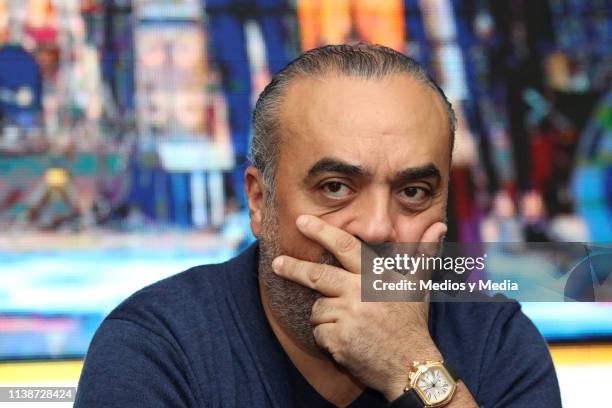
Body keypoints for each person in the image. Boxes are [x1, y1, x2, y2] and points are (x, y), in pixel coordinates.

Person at [75, 44, 561, 407]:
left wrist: (414, 369)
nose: (375, 229)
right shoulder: (158, 347)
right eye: (335, 187)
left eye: (413, 192)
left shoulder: (497, 343)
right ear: (259, 201)